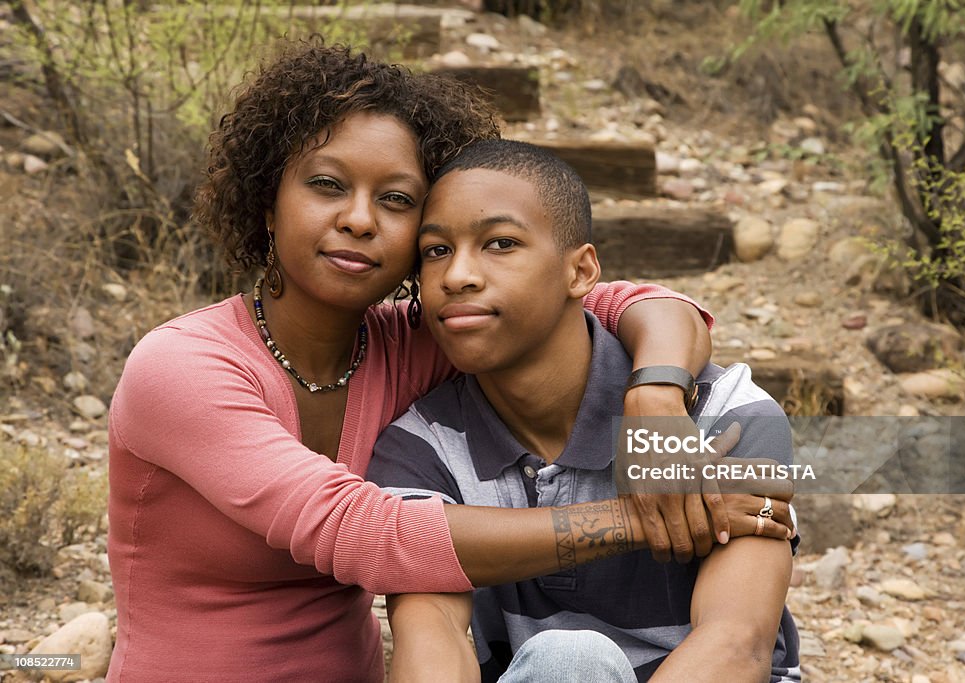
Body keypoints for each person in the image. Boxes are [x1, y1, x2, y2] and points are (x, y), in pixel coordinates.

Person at [105, 41, 783, 681]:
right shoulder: (183, 367)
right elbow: (368, 534)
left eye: (396, 200)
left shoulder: (413, 339)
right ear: (267, 205)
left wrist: (657, 395)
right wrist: (639, 516)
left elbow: (606, 301)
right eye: (325, 185)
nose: (360, 219)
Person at [366, 139, 801, 682]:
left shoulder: (725, 415)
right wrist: (633, 522)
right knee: (567, 661)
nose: (457, 276)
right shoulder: (422, 446)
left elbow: (738, 643)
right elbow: (430, 640)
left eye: (500, 243)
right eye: (436, 251)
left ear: (581, 271)